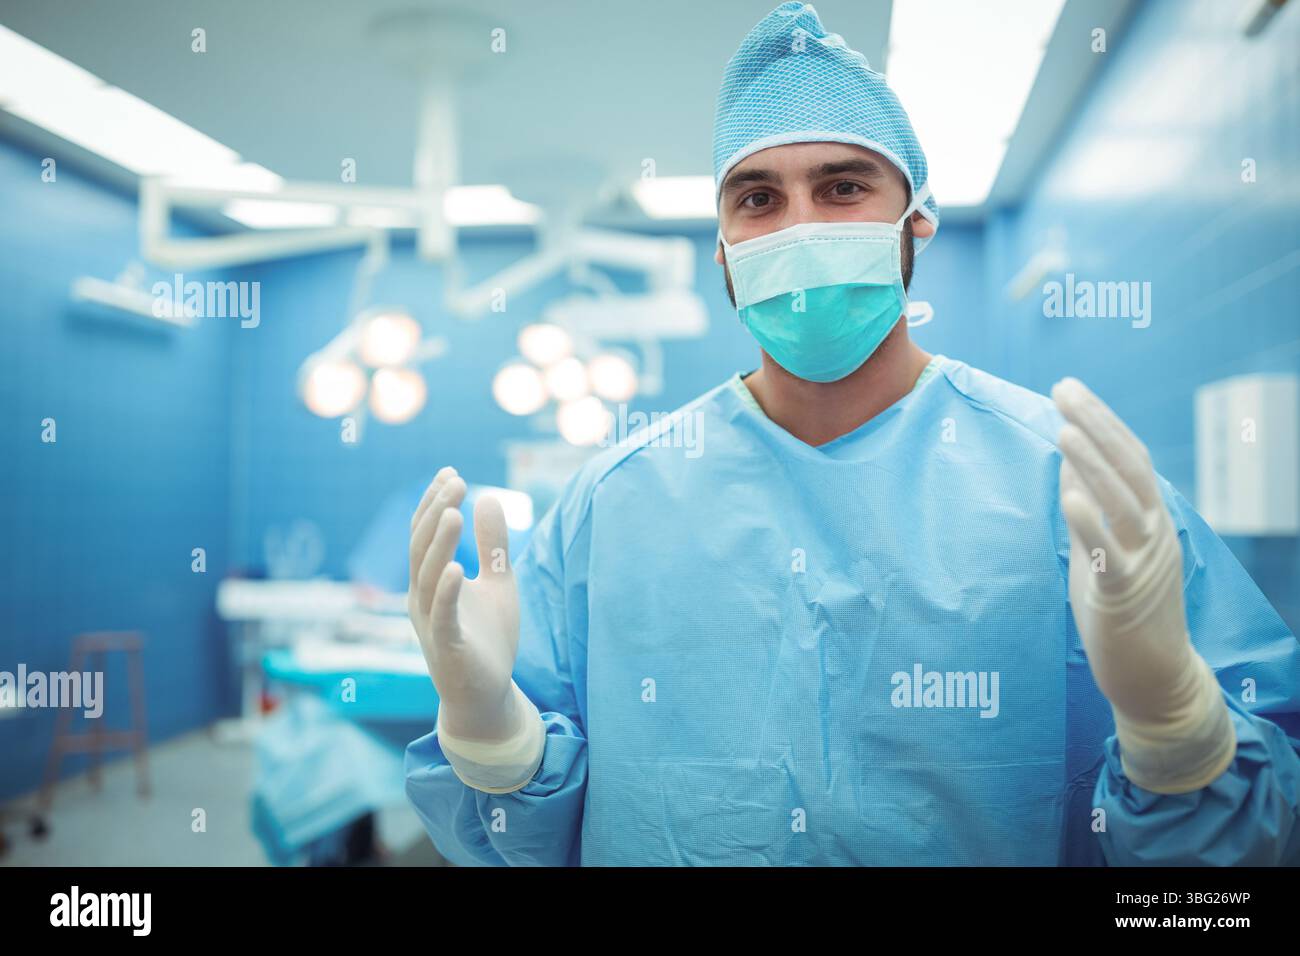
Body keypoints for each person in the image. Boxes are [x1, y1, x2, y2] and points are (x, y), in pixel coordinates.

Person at [404, 2, 1300, 866]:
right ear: (722, 248)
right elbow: (521, 841)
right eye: (757, 198)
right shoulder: (615, 502)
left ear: (917, 222)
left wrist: (1175, 728)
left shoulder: (1066, 484)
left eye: (842, 187)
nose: (799, 227)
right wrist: (492, 740)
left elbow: (1234, 868)